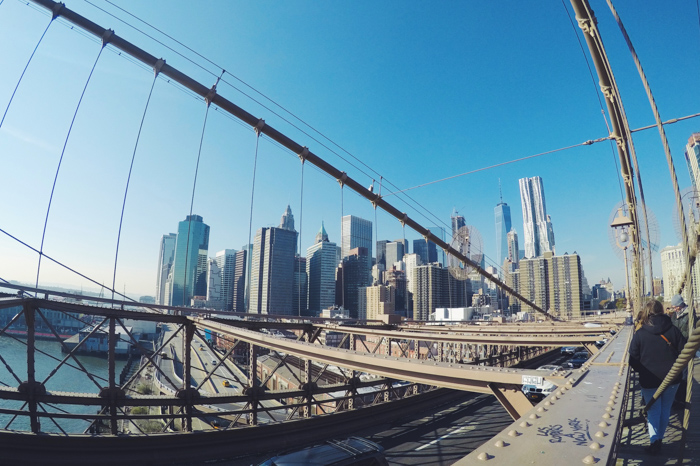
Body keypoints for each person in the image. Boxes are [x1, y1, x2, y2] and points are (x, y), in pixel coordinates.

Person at [629, 299, 686, 455]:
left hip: (649, 381)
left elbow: (632, 360)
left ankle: (655, 441)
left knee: (654, 411)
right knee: (665, 409)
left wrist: (642, 370)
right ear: (662, 311)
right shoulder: (673, 330)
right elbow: (684, 351)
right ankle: (659, 438)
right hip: (672, 378)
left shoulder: (640, 334)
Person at [669, 294, 690, 407]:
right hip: (675, 348)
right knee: (676, 374)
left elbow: (691, 331)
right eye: (673, 307)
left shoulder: (689, 315)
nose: (674, 308)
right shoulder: (673, 316)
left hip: (685, 347)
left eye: (675, 306)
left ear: (680, 305)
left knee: (683, 374)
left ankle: (681, 400)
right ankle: (676, 398)